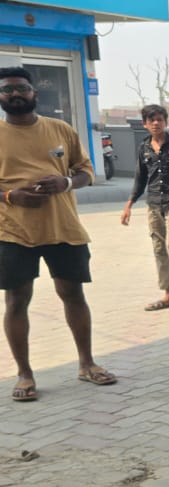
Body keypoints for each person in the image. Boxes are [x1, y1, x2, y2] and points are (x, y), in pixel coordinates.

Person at [0, 66, 117, 403]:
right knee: (16, 301)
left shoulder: (60, 129)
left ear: (34, 93)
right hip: (13, 232)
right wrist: (11, 196)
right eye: (7, 90)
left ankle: (87, 364)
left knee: (73, 294)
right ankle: (24, 374)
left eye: (21, 88)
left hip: (63, 228)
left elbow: (85, 172)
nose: (15, 94)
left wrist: (65, 182)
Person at [120, 104, 169, 313]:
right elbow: (140, 178)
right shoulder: (143, 148)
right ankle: (168, 294)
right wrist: (129, 205)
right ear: (145, 124)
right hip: (153, 205)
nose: (156, 123)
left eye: (159, 120)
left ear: (166, 122)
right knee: (159, 249)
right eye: (151, 120)